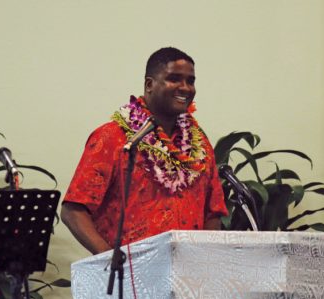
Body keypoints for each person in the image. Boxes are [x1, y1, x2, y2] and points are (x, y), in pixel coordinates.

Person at [61, 47, 228, 255]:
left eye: (190, 81)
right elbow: (73, 211)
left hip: (188, 277)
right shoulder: (114, 138)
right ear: (149, 84)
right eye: (174, 79)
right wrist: (111, 258)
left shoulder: (200, 145)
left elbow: (213, 212)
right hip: (128, 277)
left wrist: (206, 260)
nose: (185, 88)